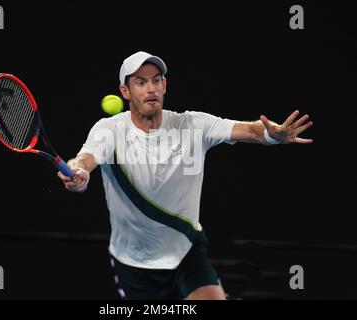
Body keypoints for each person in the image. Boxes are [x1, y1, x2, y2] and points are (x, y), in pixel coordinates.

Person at [57, 51, 313, 300]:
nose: (151, 89)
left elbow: (250, 130)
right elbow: (85, 158)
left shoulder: (192, 125)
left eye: (156, 80)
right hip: (135, 263)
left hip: (186, 252)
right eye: (141, 82)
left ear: (165, 85)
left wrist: (274, 135)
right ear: (125, 91)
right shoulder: (109, 130)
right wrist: (79, 171)